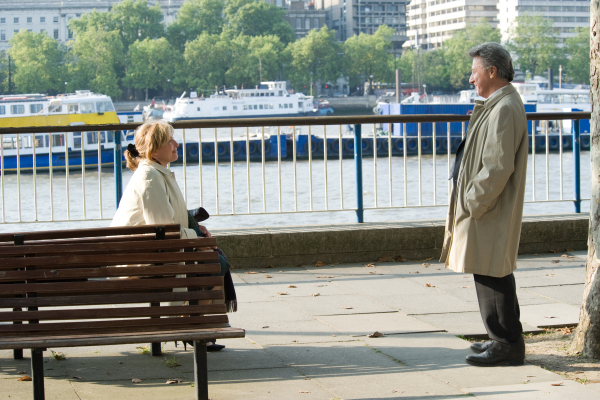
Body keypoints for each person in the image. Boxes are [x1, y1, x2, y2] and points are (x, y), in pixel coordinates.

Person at [111, 120, 234, 351]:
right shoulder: (150, 178)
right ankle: (194, 326)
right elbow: (164, 229)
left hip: (146, 252)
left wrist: (196, 230)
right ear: (153, 148)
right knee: (210, 262)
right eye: (169, 140)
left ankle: (198, 326)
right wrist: (196, 240)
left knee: (211, 257)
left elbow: (169, 219)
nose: (176, 144)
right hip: (139, 261)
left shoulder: (156, 173)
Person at [440, 42, 528, 366]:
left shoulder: (503, 108)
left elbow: (496, 166)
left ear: (492, 72)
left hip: (488, 208)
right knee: (492, 272)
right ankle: (504, 340)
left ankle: (505, 345)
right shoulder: (499, 104)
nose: (470, 78)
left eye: (475, 71)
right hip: (488, 207)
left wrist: (473, 202)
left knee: (493, 274)